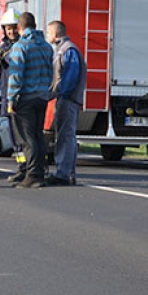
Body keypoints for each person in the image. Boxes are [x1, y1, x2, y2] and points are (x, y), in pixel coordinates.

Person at [6, 11, 54, 188]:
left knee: (26, 138)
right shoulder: (47, 47)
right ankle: (40, 173)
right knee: (38, 135)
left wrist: (11, 99)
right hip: (42, 97)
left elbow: (16, 76)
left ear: (19, 28)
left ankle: (32, 175)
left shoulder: (20, 46)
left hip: (25, 97)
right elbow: (50, 74)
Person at [46, 20, 86, 186]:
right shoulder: (65, 50)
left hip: (68, 99)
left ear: (55, 34)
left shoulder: (67, 51)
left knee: (65, 136)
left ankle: (63, 173)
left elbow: (69, 77)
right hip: (67, 98)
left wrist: (59, 93)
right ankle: (68, 172)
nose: (47, 36)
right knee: (66, 135)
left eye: (49, 33)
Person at [0, 8, 27, 183]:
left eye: (14, 28)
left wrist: (4, 58)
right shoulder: (4, 47)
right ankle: (22, 166)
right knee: (14, 136)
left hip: (19, 98)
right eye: (8, 29)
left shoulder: (21, 46)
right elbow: (2, 73)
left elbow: (16, 63)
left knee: (21, 134)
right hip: (7, 95)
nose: (11, 32)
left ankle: (26, 167)